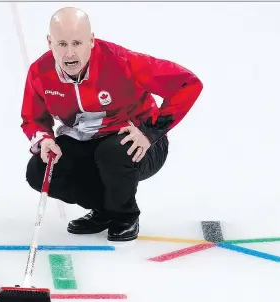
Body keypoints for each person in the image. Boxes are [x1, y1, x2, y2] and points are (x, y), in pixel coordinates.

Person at [21, 7, 203, 242]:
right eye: (61, 44)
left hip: (138, 144)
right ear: (49, 42)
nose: (69, 54)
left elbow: (187, 84)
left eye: (77, 43)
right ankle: (104, 210)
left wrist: (150, 132)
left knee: (112, 152)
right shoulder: (40, 72)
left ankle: (125, 216)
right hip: (85, 141)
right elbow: (33, 118)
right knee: (39, 171)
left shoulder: (122, 62)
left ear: (91, 41)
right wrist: (44, 140)